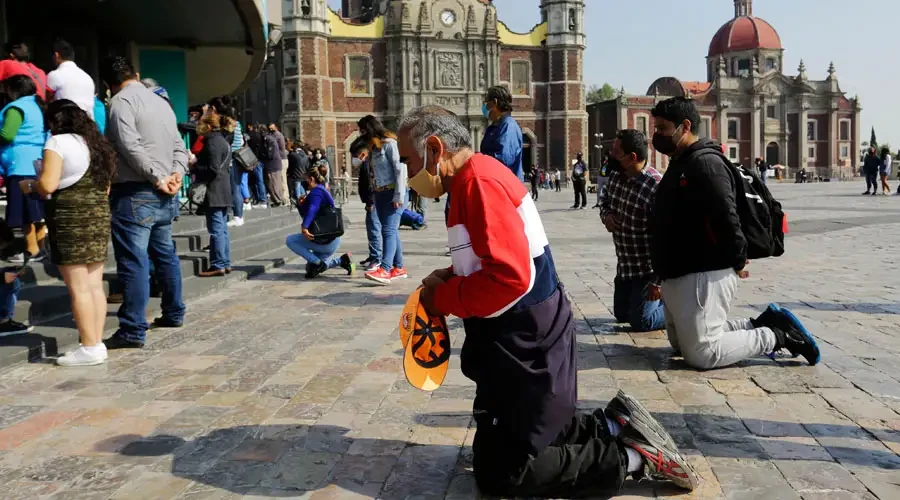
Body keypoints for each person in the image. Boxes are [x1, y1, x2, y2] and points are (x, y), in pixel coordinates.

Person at [397, 105, 697, 498]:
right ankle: (612, 425)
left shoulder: (479, 184)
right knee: (496, 448)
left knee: (504, 475)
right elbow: (491, 258)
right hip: (516, 340)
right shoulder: (472, 179)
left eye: (408, 160)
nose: (407, 171)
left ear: (435, 148)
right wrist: (450, 277)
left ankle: (632, 458)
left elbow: (509, 276)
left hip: (527, 342)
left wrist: (446, 298)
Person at [649, 96, 820, 370]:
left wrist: (737, 258)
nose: (657, 135)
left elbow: (726, 216)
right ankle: (758, 324)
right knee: (682, 344)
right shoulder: (681, 161)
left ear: (686, 126)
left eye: (663, 128)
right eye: (655, 129)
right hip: (677, 269)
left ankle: (779, 336)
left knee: (702, 354)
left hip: (702, 269)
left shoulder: (705, 164)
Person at [20, 99, 115, 366]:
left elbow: (48, 184)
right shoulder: (95, 144)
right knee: (95, 285)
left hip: (69, 219)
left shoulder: (57, 143)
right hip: (97, 216)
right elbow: (105, 186)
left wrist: (31, 185)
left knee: (79, 288)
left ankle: (89, 345)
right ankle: (97, 343)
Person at [101, 56, 186, 350]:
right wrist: (176, 174)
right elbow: (179, 145)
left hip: (137, 191)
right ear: (136, 74)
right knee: (165, 254)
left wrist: (157, 177)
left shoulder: (120, 103)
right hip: (164, 191)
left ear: (107, 84)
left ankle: (133, 328)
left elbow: (128, 145)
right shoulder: (160, 102)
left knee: (133, 260)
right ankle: (174, 311)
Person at [600, 130, 665, 332]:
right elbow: (604, 202)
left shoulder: (655, 187)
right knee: (622, 315)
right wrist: (607, 216)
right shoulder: (616, 177)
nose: (611, 155)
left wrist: (657, 282)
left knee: (641, 321)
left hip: (647, 270)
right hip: (626, 266)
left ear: (632, 158)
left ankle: (674, 306)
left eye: (617, 152)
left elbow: (665, 239)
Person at [0, 75, 48, 262]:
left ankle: (31, 250)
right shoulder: (35, 106)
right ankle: (41, 249)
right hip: (36, 162)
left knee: (25, 213)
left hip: (19, 164)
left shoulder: (16, 108)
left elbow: (7, 134)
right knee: (35, 210)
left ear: (14, 90)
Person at [358, 115, 407, 285]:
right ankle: (398, 267)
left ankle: (385, 269)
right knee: (391, 230)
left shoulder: (390, 144)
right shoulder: (374, 148)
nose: (361, 135)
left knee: (388, 231)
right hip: (379, 193)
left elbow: (400, 170)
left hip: (392, 191)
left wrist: (399, 195)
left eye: (363, 131)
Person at [285, 164, 354, 279]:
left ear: (311, 179)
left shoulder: (316, 192)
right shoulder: (322, 190)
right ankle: (341, 260)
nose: (305, 184)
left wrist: (304, 227)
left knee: (290, 241)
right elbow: (313, 210)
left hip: (324, 241)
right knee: (310, 270)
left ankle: (318, 263)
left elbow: (313, 209)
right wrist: (302, 205)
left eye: (306, 181)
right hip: (331, 239)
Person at [193, 97, 235, 277]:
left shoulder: (213, 142)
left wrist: (194, 166)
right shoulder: (223, 140)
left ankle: (218, 263)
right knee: (222, 229)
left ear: (209, 127)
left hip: (215, 190)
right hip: (224, 189)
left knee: (217, 229)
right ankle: (224, 262)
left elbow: (213, 169)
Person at [480, 85, 523, 180]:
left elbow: (504, 158)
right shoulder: (494, 127)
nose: (484, 107)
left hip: (507, 186)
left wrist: (478, 160)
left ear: (494, 102)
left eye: (486, 103)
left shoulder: (508, 126)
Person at [46, 39, 95, 119]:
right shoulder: (87, 77)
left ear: (56, 55)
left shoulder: (54, 75)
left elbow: (47, 101)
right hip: (88, 127)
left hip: (66, 126)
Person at [354, 137, 382, 272]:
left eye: (356, 156)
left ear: (362, 154)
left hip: (373, 202)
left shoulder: (368, 164)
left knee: (374, 229)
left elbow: (371, 184)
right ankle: (373, 256)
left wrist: (370, 201)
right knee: (371, 229)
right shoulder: (368, 162)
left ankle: (377, 258)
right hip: (371, 201)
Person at [228, 115, 249, 227]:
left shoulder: (231, 127)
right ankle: (239, 216)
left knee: (235, 189)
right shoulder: (239, 125)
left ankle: (238, 216)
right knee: (237, 187)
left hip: (233, 160)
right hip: (239, 160)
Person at [262, 126, 286, 206]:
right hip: (276, 164)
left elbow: (270, 154)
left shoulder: (268, 139)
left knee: (273, 183)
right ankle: (280, 199)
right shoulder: (272, 138)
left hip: (272, 165)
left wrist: (263, 155)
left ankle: (277, 200)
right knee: (278, 183)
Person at [246, 123, 268, 207]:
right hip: (261, 160)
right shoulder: (262, 136)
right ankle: (260, 199)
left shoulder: (251, 135)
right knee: (259, 180)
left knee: (256, 180)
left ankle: (261, 200)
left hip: (253, 159)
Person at [269, 123, 289, 199]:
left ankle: (286, 198)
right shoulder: (275, 135)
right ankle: (283, 197)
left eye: (272, 128)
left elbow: (281, 148)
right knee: (281, 179)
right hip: (280, 159)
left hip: (282, 159)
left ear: (276, 128)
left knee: (283, 179)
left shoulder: (277, 135)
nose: (270, 130)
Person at [287, 141, 309, 206]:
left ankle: (299, 202)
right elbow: (307, 166)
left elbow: (290, 165)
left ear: (296, 146)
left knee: (297, 188)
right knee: (301, 188)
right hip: (304, 174)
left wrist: (289, 173)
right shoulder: (305, 155)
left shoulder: (293, 154)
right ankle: (305, 200)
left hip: (296, 174)